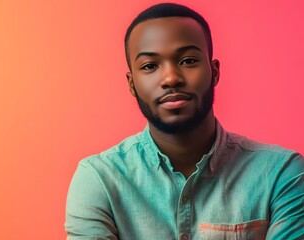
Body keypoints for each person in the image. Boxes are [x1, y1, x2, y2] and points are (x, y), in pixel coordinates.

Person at [65, 3, 304, 240]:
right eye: (150, 66)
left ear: (215, 72)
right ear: (131, 84)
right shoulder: (99, 179)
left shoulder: (281, 174)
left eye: (188, 61)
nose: (171, 78)